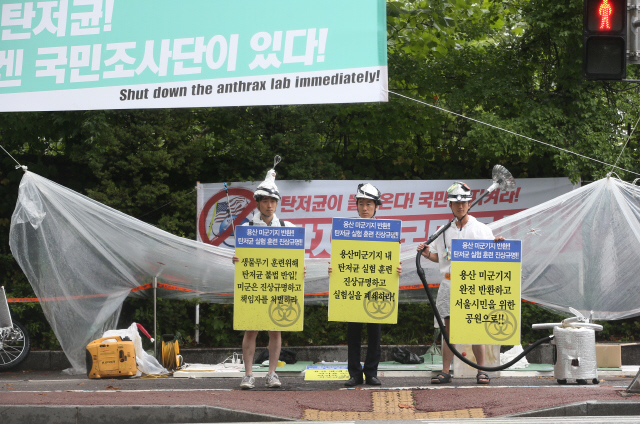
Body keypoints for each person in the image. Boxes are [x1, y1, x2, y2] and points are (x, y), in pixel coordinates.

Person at [417, 181, 504, 385]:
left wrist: (498, 245)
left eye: (464, 202)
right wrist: (426, 252)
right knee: (448, 330)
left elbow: (491, 256)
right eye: (456, 203)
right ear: (450, 205)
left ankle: (481, 371)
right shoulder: (443, 230)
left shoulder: (482, 229)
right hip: (449, 284)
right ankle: (445, 371)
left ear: (469, 203)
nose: (460, 206)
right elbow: (440, 257)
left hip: (473, 286)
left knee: (475, 327)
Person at [329, 183, 402, 387]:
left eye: (369, 204)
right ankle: (354, 374)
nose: (364, 208)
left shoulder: (386, 231)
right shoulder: (346, 229)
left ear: (376, 206)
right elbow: (339, 257)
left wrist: (396, 269)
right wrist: (333, 268)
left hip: (377, 289)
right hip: (353, 289)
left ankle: (371, 372)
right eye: (361, 203)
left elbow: (391, 258)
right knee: (353, 334)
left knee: (374, 333)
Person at [232, 167, 296, 390]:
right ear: (258, 202)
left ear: (277, 203)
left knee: (275, 329)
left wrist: (299, 269)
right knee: (251, 329)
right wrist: (237, 261)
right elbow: (241, 259)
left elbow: (294, 259)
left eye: (273, 200)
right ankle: (248, 374)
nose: (269, 204)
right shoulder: (246, 229)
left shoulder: (287, 228)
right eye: (265, 200)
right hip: (255, 284)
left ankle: (271, 373)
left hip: (277, 285)